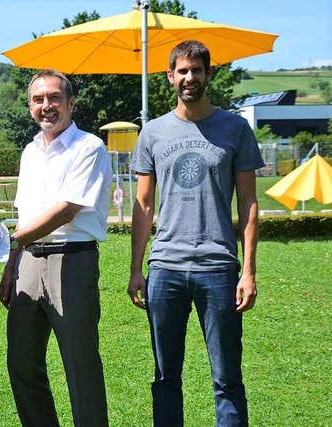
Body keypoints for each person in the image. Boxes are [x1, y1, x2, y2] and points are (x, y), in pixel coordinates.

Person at [127, 40, 264, 427]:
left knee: (227, 380)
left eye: (197, 70)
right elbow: (143, 205)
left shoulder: (235, 129)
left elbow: (249, 204)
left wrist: (249, 271)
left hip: (219, 269)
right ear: (170, 76)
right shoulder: (152, 133)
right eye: (182, 71)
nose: (189, 77)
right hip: (165, 269)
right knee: (165, 378)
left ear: (209, 74)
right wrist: (137, 269)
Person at [0, 69, 112, 426]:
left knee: (81, 365)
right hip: (27, 264)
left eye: (54, 98)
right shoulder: (30, 151)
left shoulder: (89, 147)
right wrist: (10, 265)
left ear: (71, 102)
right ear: (30, 105)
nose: (46, 106)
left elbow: (67, 209)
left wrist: (9, 242)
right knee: (22, 363)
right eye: (38, 99)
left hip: (72, 260)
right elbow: (26, 215)